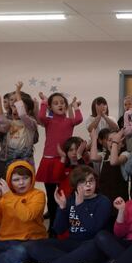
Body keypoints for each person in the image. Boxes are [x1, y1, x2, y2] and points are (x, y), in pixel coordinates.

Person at [14, 166, 112, 263]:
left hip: (91, 244)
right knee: (31, 246)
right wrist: (62, 208)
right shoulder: (70, 200)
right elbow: (59, 229)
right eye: (82, 182)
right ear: (75, 185)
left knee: (91, 248)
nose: (88, 185)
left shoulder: (103, 201)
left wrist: (80, 206)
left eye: (91, 181)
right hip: (72, 244)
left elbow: (93, 230)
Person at [36, 92, 83, 236]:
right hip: (50, 160)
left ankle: (66, 224)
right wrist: (44, 102)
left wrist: (75, 107)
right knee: (51, 196)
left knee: (66, 194)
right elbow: (41, 116)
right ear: (50, 107)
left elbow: (79, 119)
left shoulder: (69, 121)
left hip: (64, 162)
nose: (60, 105)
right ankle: (53, 228)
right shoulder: (49, 120)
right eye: (55, 103)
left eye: (62, 102)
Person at [0, 82, 38, 168]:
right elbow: (1, 120)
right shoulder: (10, 122)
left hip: (26, 159)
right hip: (10, 158)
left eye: (19, 107)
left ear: (28, 111)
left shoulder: (31, 123)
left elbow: (22, 115)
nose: (15, 110)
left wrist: (17, 92)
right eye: (13, 106)